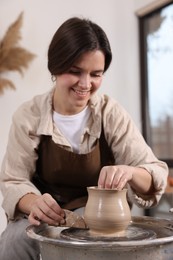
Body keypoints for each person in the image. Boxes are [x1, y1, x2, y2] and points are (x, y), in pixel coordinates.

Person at [0, 16, 168, 260]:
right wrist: (33, 202)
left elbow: (156, 173)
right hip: (43, 213)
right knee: (13, 240)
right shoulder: (29, 115)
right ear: (55, 67)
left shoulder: (111, 113)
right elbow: (13, 180)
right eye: (75, 71)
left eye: (96, 74)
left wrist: (130, 172)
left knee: (85, 239)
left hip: (94, 214)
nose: (85, 84)